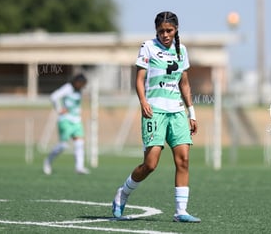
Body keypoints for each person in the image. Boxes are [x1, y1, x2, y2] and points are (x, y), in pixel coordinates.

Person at [111, 11, 200, 223]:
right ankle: (122, 193)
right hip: (154, 111)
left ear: (176, 30)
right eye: (161, 31)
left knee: (184, 160)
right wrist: (143, 102)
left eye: (169, 30)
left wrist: (191, 112)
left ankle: (180, 212)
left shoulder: (182, 51)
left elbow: (184, 83)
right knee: (150, 164)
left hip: (177, 111)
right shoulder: (148, 47)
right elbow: (139, 79)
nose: (165, 34)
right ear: (156, 31)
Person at [43, 73, 90, 175]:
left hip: (76, 121)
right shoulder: (67, 88)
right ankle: (47, 162)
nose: (82, 86)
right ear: (77, 82)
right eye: (81, 84)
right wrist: (59, 109)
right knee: (63, 146)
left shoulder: (79, 90)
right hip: (65, 120)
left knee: (79, 143)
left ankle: (79, 167)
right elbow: (54, 96)